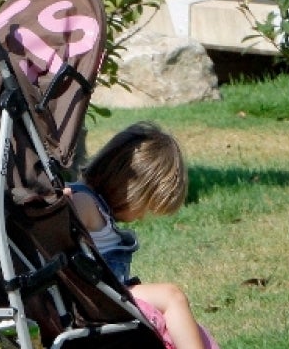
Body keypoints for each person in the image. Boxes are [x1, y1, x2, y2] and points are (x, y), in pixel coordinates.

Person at [67, 122, 218, 349]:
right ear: (132, 189)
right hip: (95, 299)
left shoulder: (95, 206)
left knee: (190, 327)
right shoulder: (85, 201)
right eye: (144, 206)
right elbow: (62, 221)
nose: (142, 217)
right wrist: (62, 202)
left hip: (105, 293)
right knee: (172, 296)